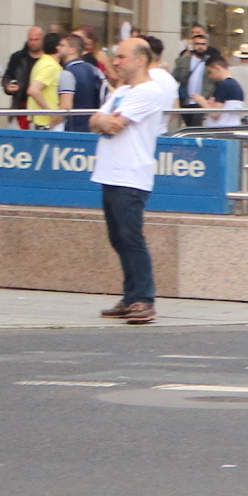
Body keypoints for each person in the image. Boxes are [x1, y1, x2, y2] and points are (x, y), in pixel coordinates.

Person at [88, 37, 176, 325]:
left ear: (140, 59)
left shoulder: (149, 91)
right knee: (118, 237)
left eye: (122, 57)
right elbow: (95, 121)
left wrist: (104, 120)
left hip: (130, 175)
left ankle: (143, 299)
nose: (115, 61)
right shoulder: (123, 91)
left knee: (131, 237)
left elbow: (113, 124)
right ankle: (130, 296)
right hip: (111, 173)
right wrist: (103, 120)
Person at [58, 31, 106, 116]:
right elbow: (108, 91)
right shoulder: (94, 69)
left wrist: (49, 126)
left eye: (62, 45)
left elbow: (65, 107)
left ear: (72, 50)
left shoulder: (67, 73)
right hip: (93, 122)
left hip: (73, 124)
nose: (58, 48)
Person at [196, 51, 246, 128]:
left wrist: (202, 101)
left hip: (221, 129)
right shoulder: (235, 85)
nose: (209, 76)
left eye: (210, 72)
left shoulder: (224, 85)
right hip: (233, 127)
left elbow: (215, 113)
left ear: (217, 68)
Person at [26, 29, 64, 127]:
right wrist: (51, 112)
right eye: (63, 45)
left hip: (39, 120)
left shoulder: (41, 62)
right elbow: (33, 90)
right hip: (45, 122)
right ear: (58, 48)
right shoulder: (50, 66)